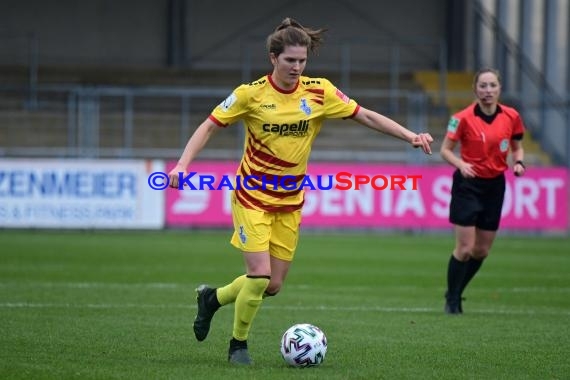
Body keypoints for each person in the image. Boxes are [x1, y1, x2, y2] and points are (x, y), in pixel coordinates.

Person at [168, 17, 434, 364]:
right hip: (251, 196)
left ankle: (212, 299)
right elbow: (208, 126)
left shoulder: (319, 90)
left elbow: (365, 115)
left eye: (302, 60)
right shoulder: (250, 94)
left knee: (273, 284)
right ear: (273, 58)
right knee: (259, 276)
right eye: (290, 60)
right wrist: (183, 165)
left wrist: (410, 136)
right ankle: (238, 345)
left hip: (290, 202)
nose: (297, 67)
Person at [440, 68, 526, 315]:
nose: (487, 91)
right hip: (468, 185)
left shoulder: (511, 116)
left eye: (492, 86)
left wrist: (519, 162)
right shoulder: (462, 117)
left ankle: (455, 291)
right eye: (483, 86)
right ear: (475, 89)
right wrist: (461, 164)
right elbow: (445, 150)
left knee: (482, 251)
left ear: (499, 88)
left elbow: (517, 147)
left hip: (495, 185)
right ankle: (453, 299)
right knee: (465, 248)